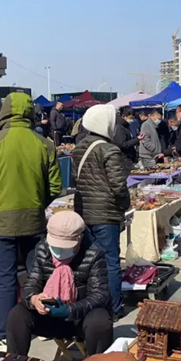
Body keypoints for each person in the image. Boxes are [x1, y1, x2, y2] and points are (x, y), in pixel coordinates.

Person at [0, 92, 63, 352]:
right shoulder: (44, 143)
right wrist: (38, 203)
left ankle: (4, 333)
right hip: (34, 221)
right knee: (39, 275)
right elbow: (56, 186)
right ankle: (44, 325)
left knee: (5, 280)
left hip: (1, 224)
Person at [6, 211, 112, 361]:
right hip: (49, 314)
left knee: (100, 321)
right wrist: (34, 299)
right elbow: (31, 283)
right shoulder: (42, 249)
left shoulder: (94, 254)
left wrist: (71, 310)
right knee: (17, 315)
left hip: (79, 318)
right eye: (56, 246)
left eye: (65, 247)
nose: (60, 252)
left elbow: (100, 295)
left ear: (79, 240)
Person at [72, 104, 130, 318]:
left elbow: (75, 181)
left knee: (89, 263)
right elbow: (118, 186)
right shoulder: (109, 150)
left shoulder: (78, 148)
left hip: (84, 212)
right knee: (111, 263)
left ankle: (89, 306)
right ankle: (114, 308)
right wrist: (124, 206)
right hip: (105, 214)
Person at [113, 106, 143, 178]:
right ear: (124, 116)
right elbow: (122, 144)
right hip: (124, 159)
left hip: (129, 157)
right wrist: (136, 140)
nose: (132, 120)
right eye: (130, 118)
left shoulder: (125, 126)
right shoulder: (119, 127)